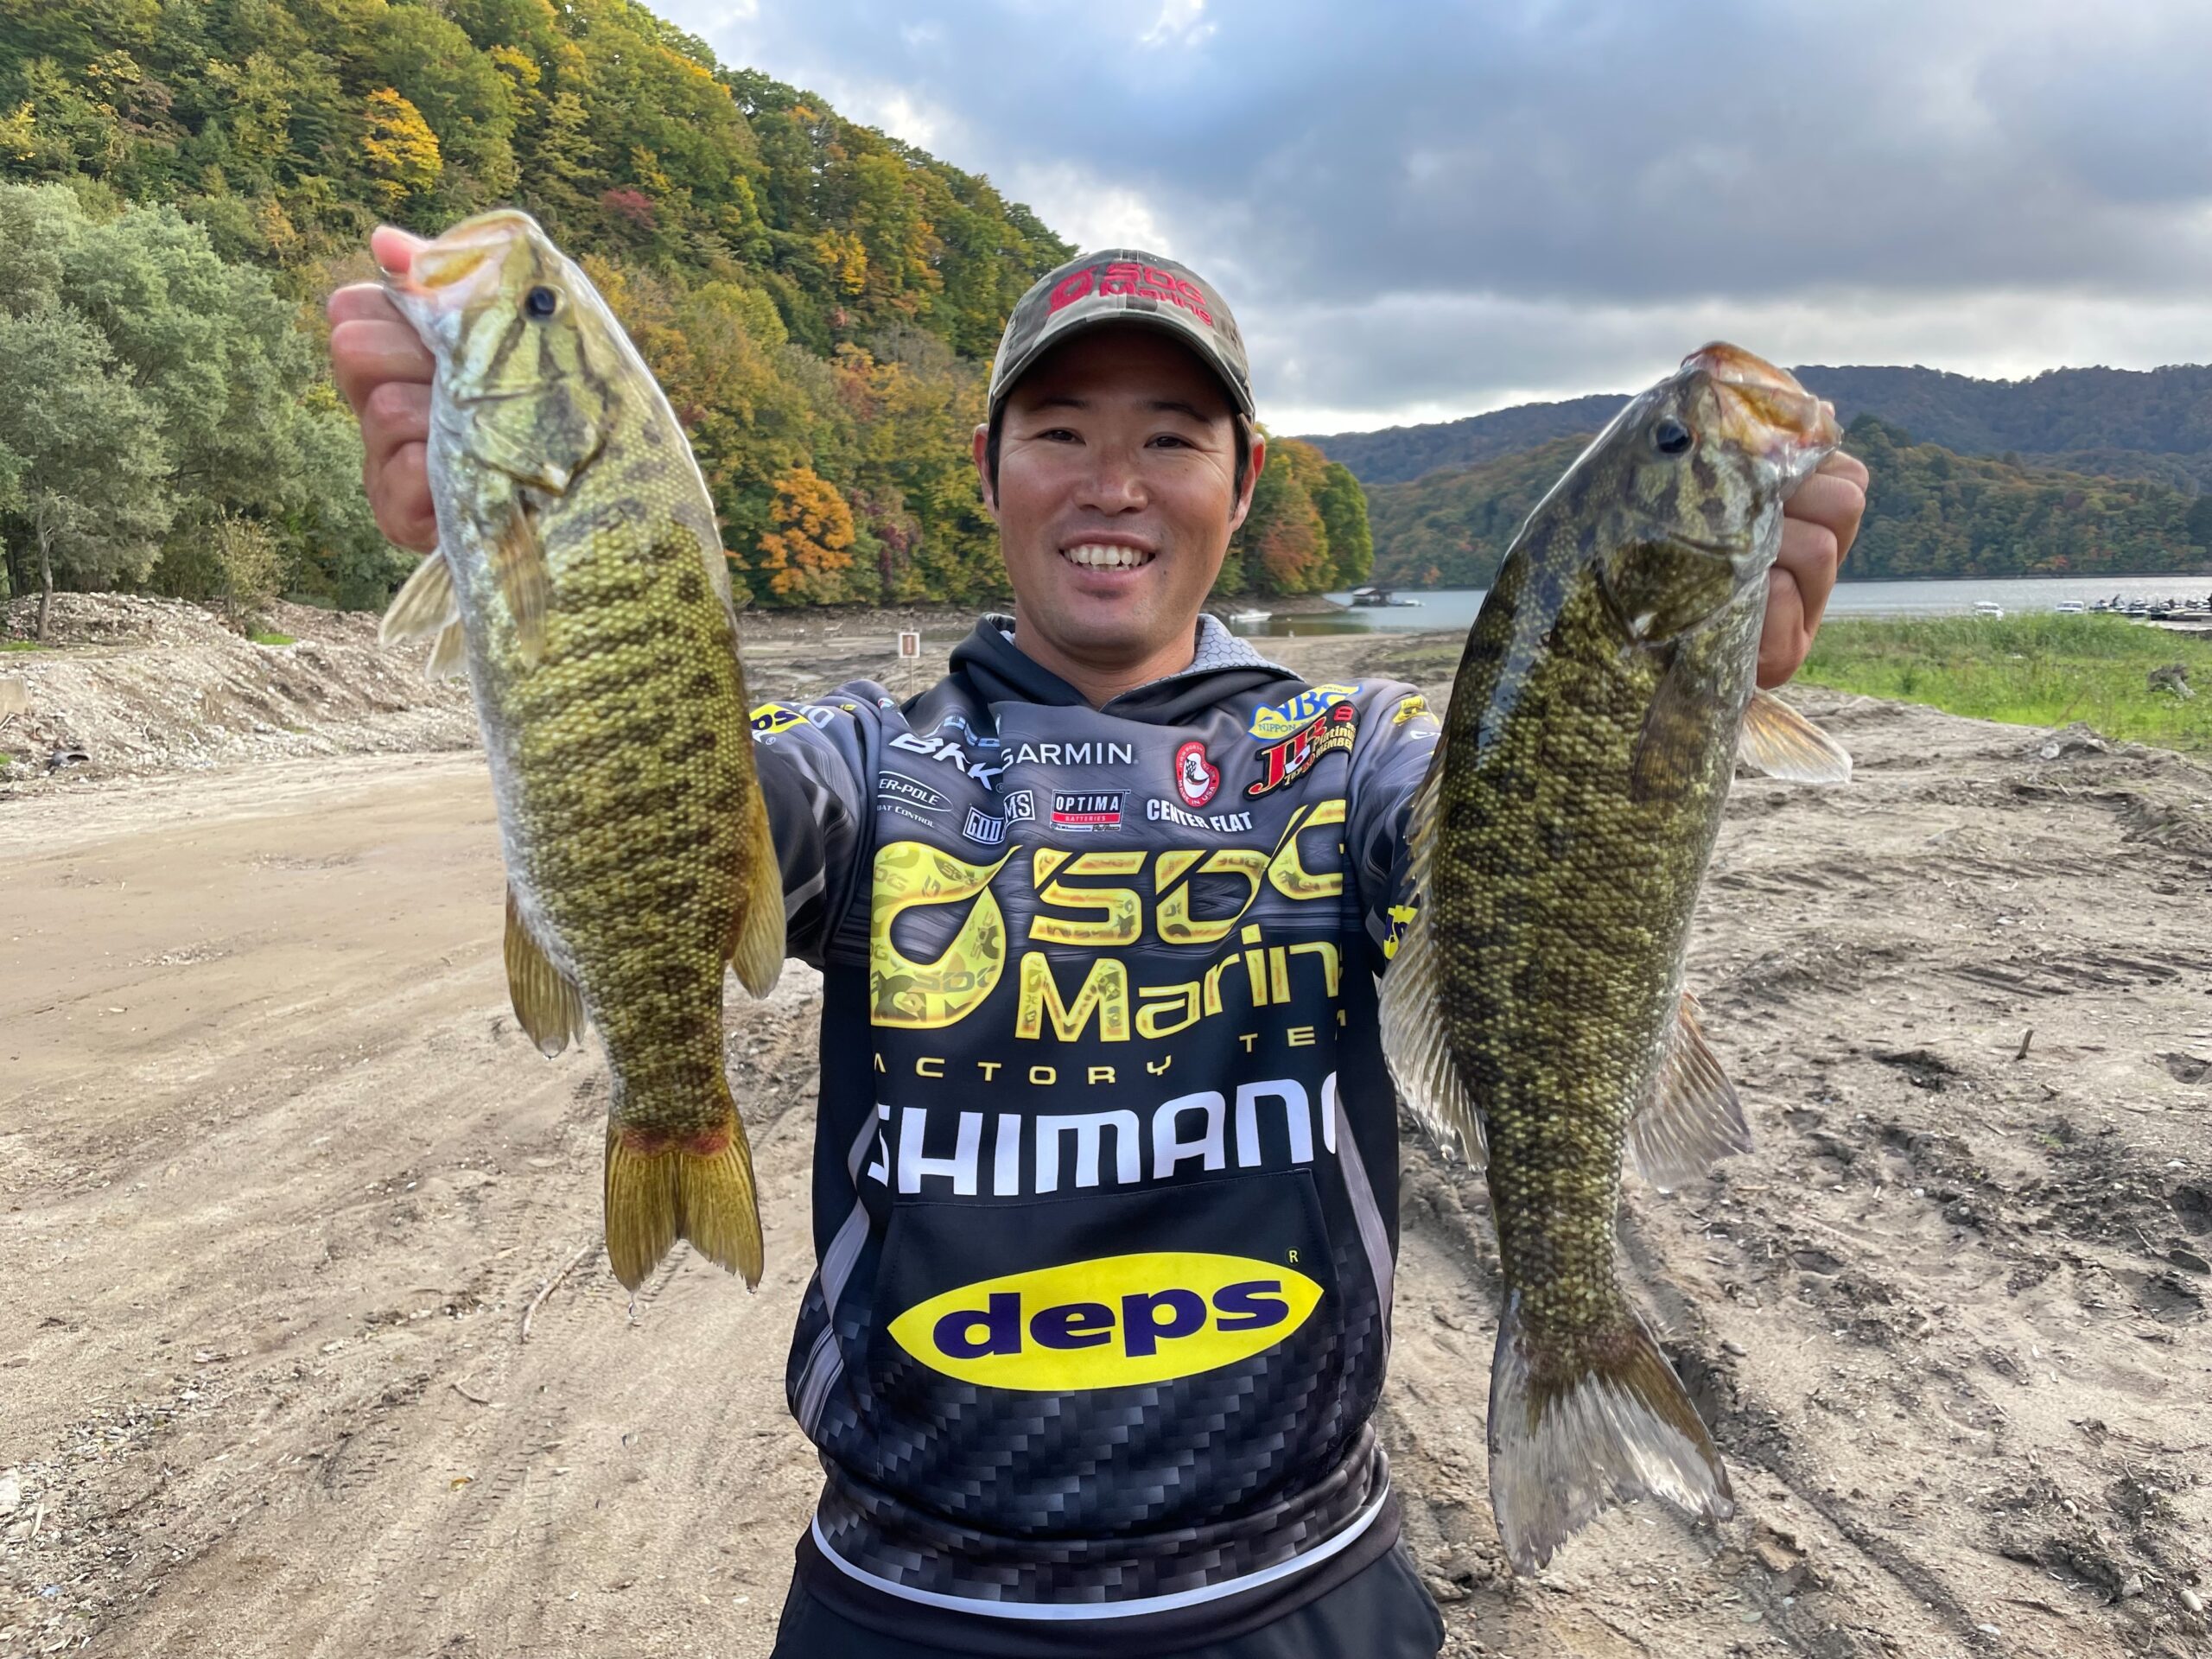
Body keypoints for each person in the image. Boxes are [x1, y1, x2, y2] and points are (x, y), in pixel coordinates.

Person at [329, 237, 1868, 1659]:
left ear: (1244, 481)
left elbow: (1515, 853)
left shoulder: (1360, 755)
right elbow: (672, 799)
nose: (1113, 484)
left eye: (1172, 440)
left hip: (1301, 1591)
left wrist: (1664, 701)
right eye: (1061, 432)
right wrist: (540, 572)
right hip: (906, 1601)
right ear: (988, 469)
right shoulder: (869, 760)